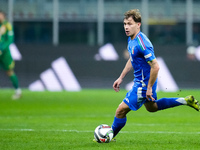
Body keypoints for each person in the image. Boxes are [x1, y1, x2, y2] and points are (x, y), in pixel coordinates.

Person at [111, 9, 199, 139]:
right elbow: (132, 58)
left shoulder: (142, 43)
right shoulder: (131, 39)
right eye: (124, 24)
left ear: (138, 24)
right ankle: (185, 101)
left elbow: (156, 67)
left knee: (120, 110)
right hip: (143, 82)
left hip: (143, 84)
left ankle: (108, 136)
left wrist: (149, 88)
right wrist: (121, 77)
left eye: (129, 24)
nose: (126, 27)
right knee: (152, 107)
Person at [0, 11, 21, 99]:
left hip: (4, 53)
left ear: (3, 16)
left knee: (9, 71)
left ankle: (18, 91)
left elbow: (10, 39)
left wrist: (2, 48)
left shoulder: (7, 25)